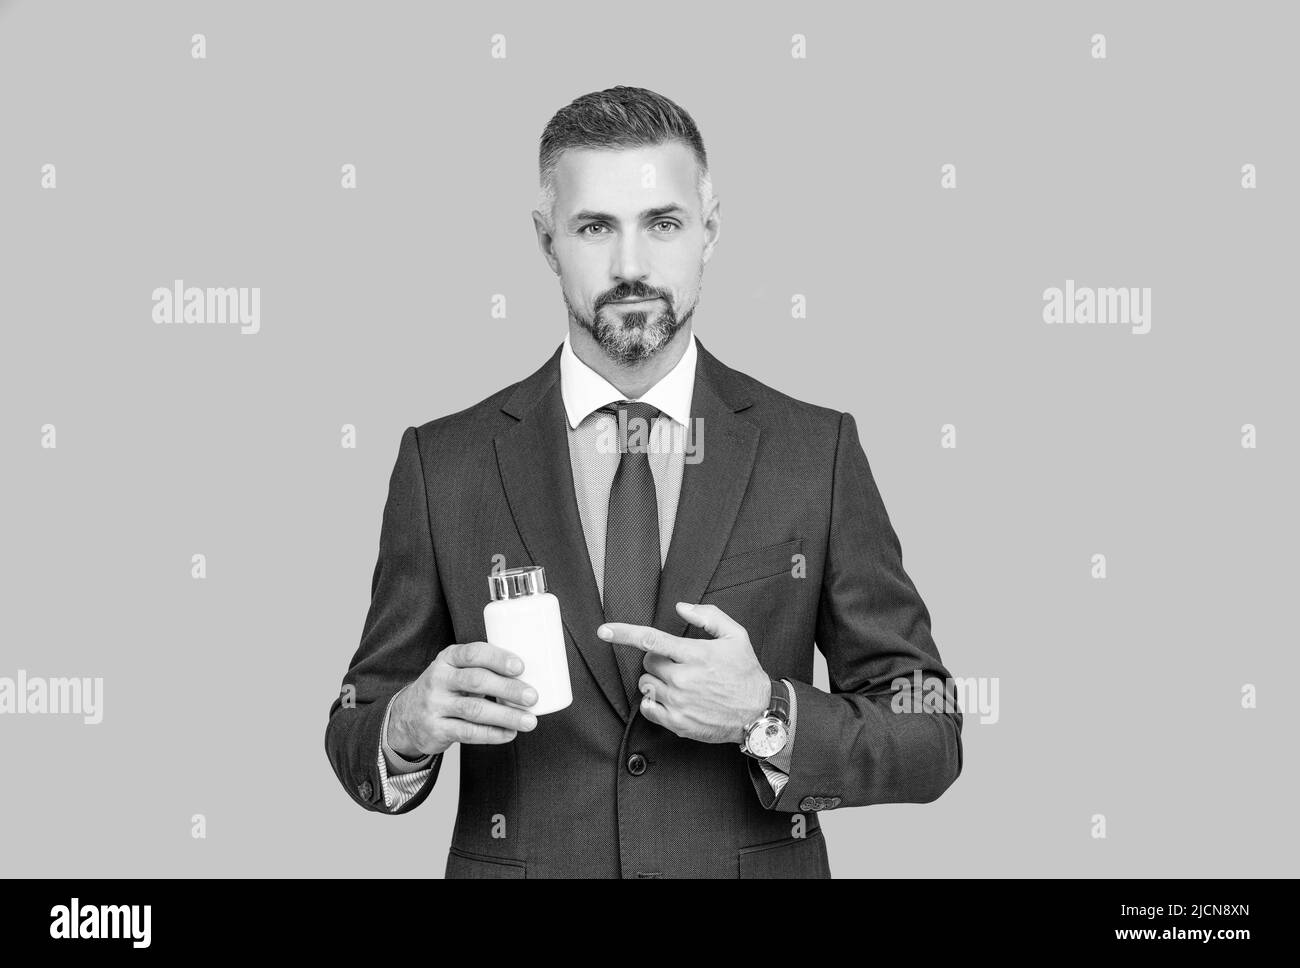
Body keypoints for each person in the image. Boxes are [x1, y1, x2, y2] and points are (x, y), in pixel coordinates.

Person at [324, 85, 962, 878]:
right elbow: (356, 722)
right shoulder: (442, 463)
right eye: (595, 227)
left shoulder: (815, 452)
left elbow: (930, 732)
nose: (631, 266)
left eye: (663, 224)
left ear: (709, 230)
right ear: (547, 240)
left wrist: (766, 715)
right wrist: (404, 727)